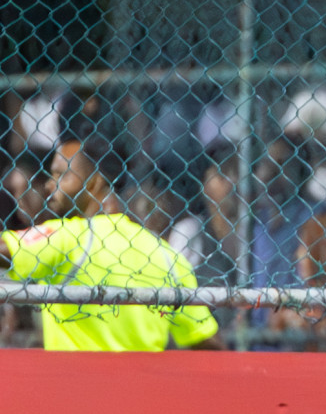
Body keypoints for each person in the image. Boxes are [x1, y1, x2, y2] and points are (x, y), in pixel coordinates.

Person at [0, 137, 220, 351]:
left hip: (72, 375)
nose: (50, 185)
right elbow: (205, 340)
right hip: (141, 375)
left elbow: (4, 249)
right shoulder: (166, 255)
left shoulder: (69, 237)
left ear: (93, 183)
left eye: (61, 175)